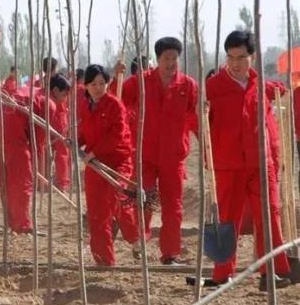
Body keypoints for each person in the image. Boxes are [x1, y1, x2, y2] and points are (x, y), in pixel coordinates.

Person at [206, 30, 291, 290]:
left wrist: (275, 158)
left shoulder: (259, 84)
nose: (235, 63)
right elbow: (196, 119)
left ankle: (271, 272)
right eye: (230, 57)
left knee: (269, 215)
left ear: (252, 57)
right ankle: (222, 274)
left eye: (241, 57)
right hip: (228, 164)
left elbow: (270, 122)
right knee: (228, 218)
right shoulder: (213, 88)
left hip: (260, 163)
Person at [121, 37, 198, 265]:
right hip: (144, 154)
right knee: (144, 201)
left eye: (175, 59)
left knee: (173, 207)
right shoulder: (140, 83)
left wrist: (204, 144)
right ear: (157, 59)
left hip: (173, 157)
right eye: (167, 58)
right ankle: (140, 242)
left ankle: (170, 253)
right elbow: (119, 105)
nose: (171, 63)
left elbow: (194, 119)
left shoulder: (188, 85)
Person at [77, 64, 140, 265]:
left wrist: (94, 152)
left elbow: (117, 135)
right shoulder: (86, 106)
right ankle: (104, 260)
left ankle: (135, 238)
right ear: (86, 85)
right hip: (94, 164)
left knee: (118, 201)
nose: (98, 88)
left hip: (117, 162)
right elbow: (84, 131)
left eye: (102, 83)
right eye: (93, 84)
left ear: (107, 84)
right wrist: (74, 141)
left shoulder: (114, 105)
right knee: (96, 213)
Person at [0, 78, 55, 234]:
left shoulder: (24, 90)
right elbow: (38, 139)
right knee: (22, 181)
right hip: (13, 133)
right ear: (58, 91)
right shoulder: (48, 103)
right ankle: (22, 224)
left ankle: (10, 220)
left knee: (5, 179)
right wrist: (34, 162)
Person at [41, 72, 71, 191]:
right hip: (56, 119)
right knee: (57, 152)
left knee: (57, 152)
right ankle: (51, 181)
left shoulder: (49, 88)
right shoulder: (51, 94)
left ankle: (59, 182)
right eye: (65, 95)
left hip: (57, 119)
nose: (66, 97)